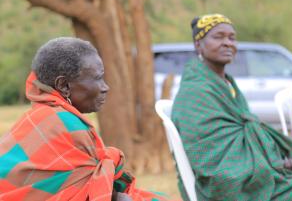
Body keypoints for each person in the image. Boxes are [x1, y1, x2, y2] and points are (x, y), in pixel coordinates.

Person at [171, 13, 292, 201]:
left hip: (262, 170)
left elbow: (245, 138)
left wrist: (286, 164)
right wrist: (285, 164)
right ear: (198, 44)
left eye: (232, 37)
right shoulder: (195, 91)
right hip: (235, 185)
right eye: (218, 37)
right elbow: (213, 159)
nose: (228, 43)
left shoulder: (227, 83)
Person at [0, 37, 175, 201]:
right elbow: (95, 191)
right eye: (98, 78)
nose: (105, 87)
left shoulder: (42, 116)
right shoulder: (63, 124)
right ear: (64, 86)